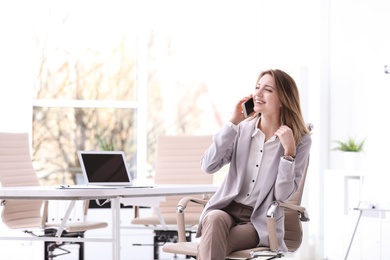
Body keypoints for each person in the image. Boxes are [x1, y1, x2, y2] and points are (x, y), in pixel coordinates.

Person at [196, 69, 312, 260]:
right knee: (215, 219)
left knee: (214, 244)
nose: (258, 94)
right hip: (226, 209)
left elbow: (283, 195)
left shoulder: (299, 140)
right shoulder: (241, 129)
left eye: (267, 90)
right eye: (257, 87)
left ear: (283, 99)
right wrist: (232, 123)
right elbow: (208, 166)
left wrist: (289, 153)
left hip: (258, 220)